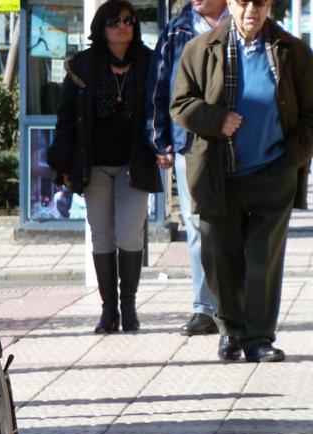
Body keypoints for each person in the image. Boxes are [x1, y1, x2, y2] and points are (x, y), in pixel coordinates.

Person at [170, 0, 313, 362]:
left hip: (272, 171)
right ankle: (229, 330)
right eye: (244, 2)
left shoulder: (290, 50)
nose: (252, 10)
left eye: (261, 3)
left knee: (263, 258)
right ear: (230, 4)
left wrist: (293, 158)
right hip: (219, 172)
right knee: (221, 255)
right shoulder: (200, 49)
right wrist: (215, 118)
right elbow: (181, 103)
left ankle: (258, 337)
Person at [47, 0, 162, 334]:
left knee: (129, 232)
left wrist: (163, 144)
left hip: (134, 164)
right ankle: (108, 310)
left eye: (128, 20)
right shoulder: (82, 66)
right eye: (114, 21)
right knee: (102, 236)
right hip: (94, 165)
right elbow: (66, 118)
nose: (122, 26)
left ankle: (129, 306)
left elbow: (162, 109)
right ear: (102, 27)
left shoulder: (149, 62)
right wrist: (63, 162)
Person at [147, 0, 227, 337]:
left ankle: (238, 306)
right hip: (189, 141)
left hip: (238, 140)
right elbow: (159, 85)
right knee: (197, 227)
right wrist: (160, 138)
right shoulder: (177, 30)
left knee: (239, 224)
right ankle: (204, 308)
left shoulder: (243, 24)